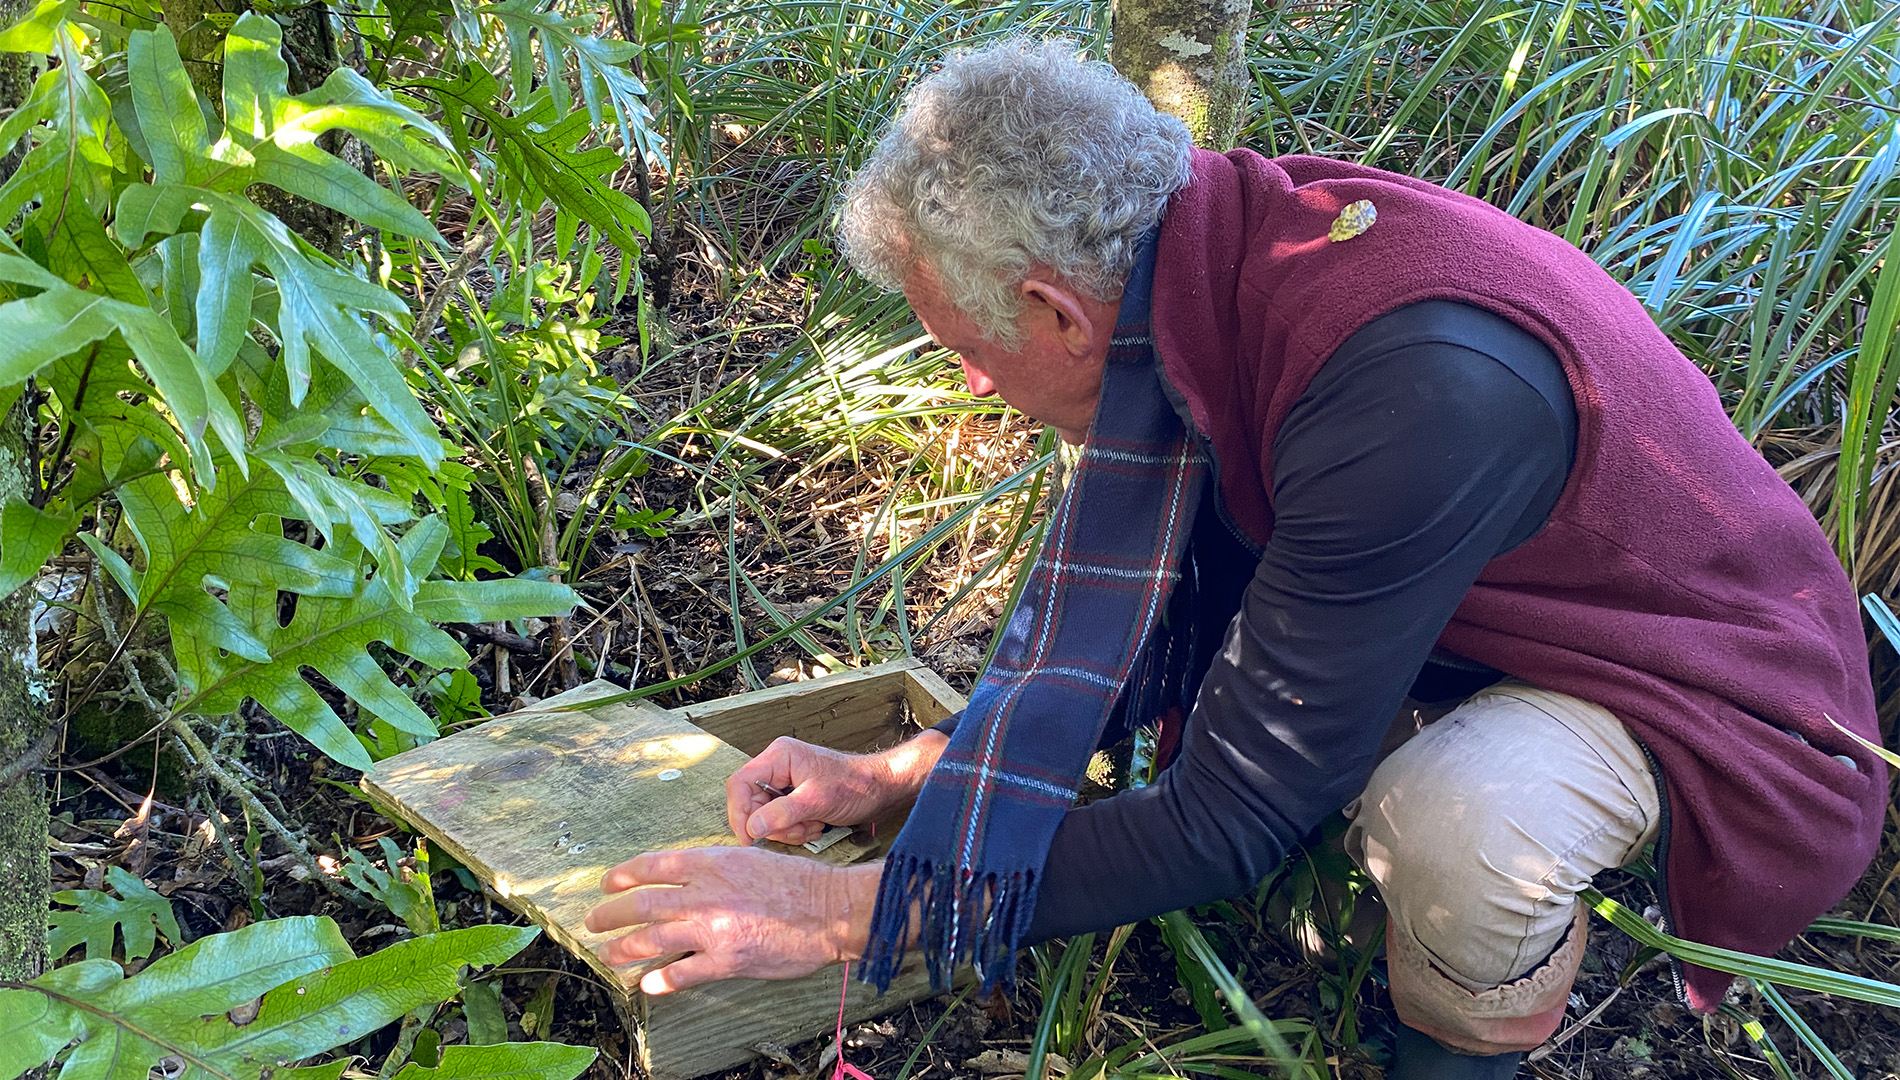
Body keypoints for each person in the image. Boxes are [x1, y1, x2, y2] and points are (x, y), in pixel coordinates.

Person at [585, 39, 1886, 1078]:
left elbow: (1235, 812)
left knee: (1456, 825)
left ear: (1053, 310)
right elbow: (1162, 625)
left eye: (965, 349)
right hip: (1482, 620)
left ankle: (1457, 1054)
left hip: (1712, 691)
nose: (972, 383)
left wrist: (835, 914)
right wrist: (906, 774)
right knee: (1354, 798)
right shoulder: (1204, 259)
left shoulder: (1405, 383)